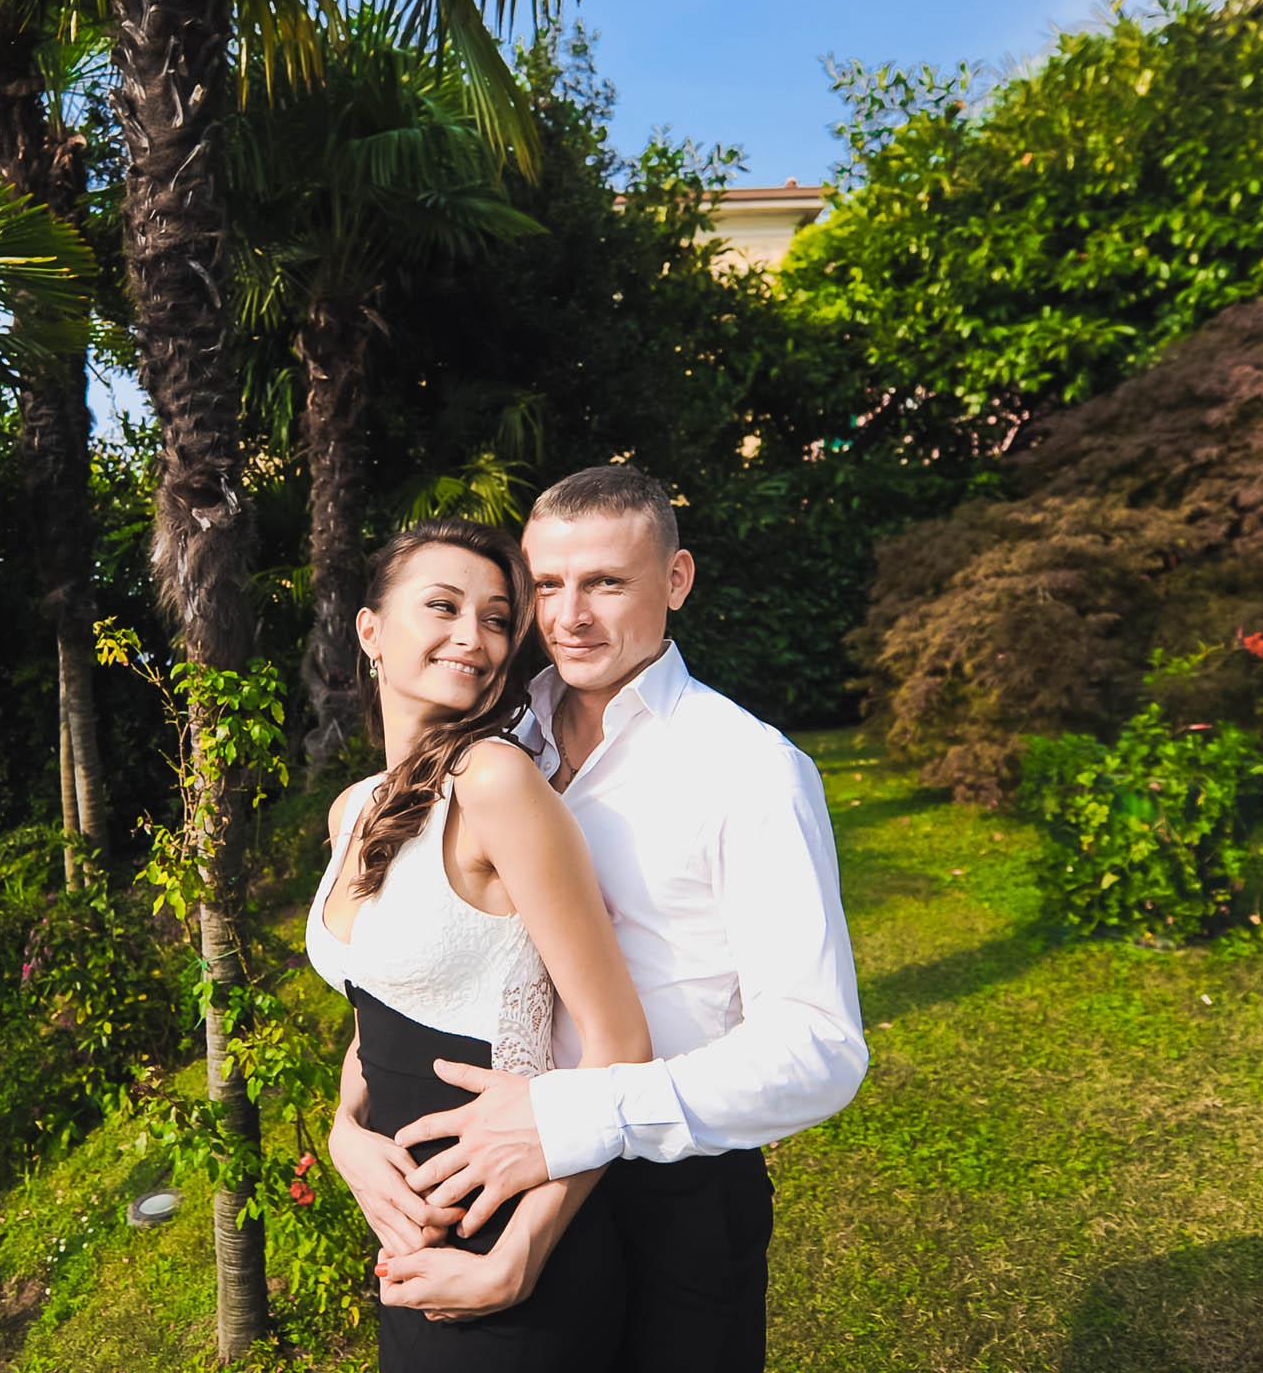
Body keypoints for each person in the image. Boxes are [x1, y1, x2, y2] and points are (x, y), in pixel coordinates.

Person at [348, 465, 869, 1371]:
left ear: (676, 581)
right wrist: (347, 1129)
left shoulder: (750, 770)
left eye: (606, 583)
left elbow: (819, 1050)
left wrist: (586, 1115)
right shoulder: (497, 743)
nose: (569, 616)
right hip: (504, 1179)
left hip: (677, 1192)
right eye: (547, 585)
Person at [306, 515, 656, 1371]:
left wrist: (520, 1254)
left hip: (514, 1253)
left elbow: (621, 1046)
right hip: (408, 1250)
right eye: (444, 606)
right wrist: (343, 1135)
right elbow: (377, 1010)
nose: (474, 636)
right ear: (371, 632)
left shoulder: (496, 784)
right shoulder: (352, 809)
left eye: (498, 618)